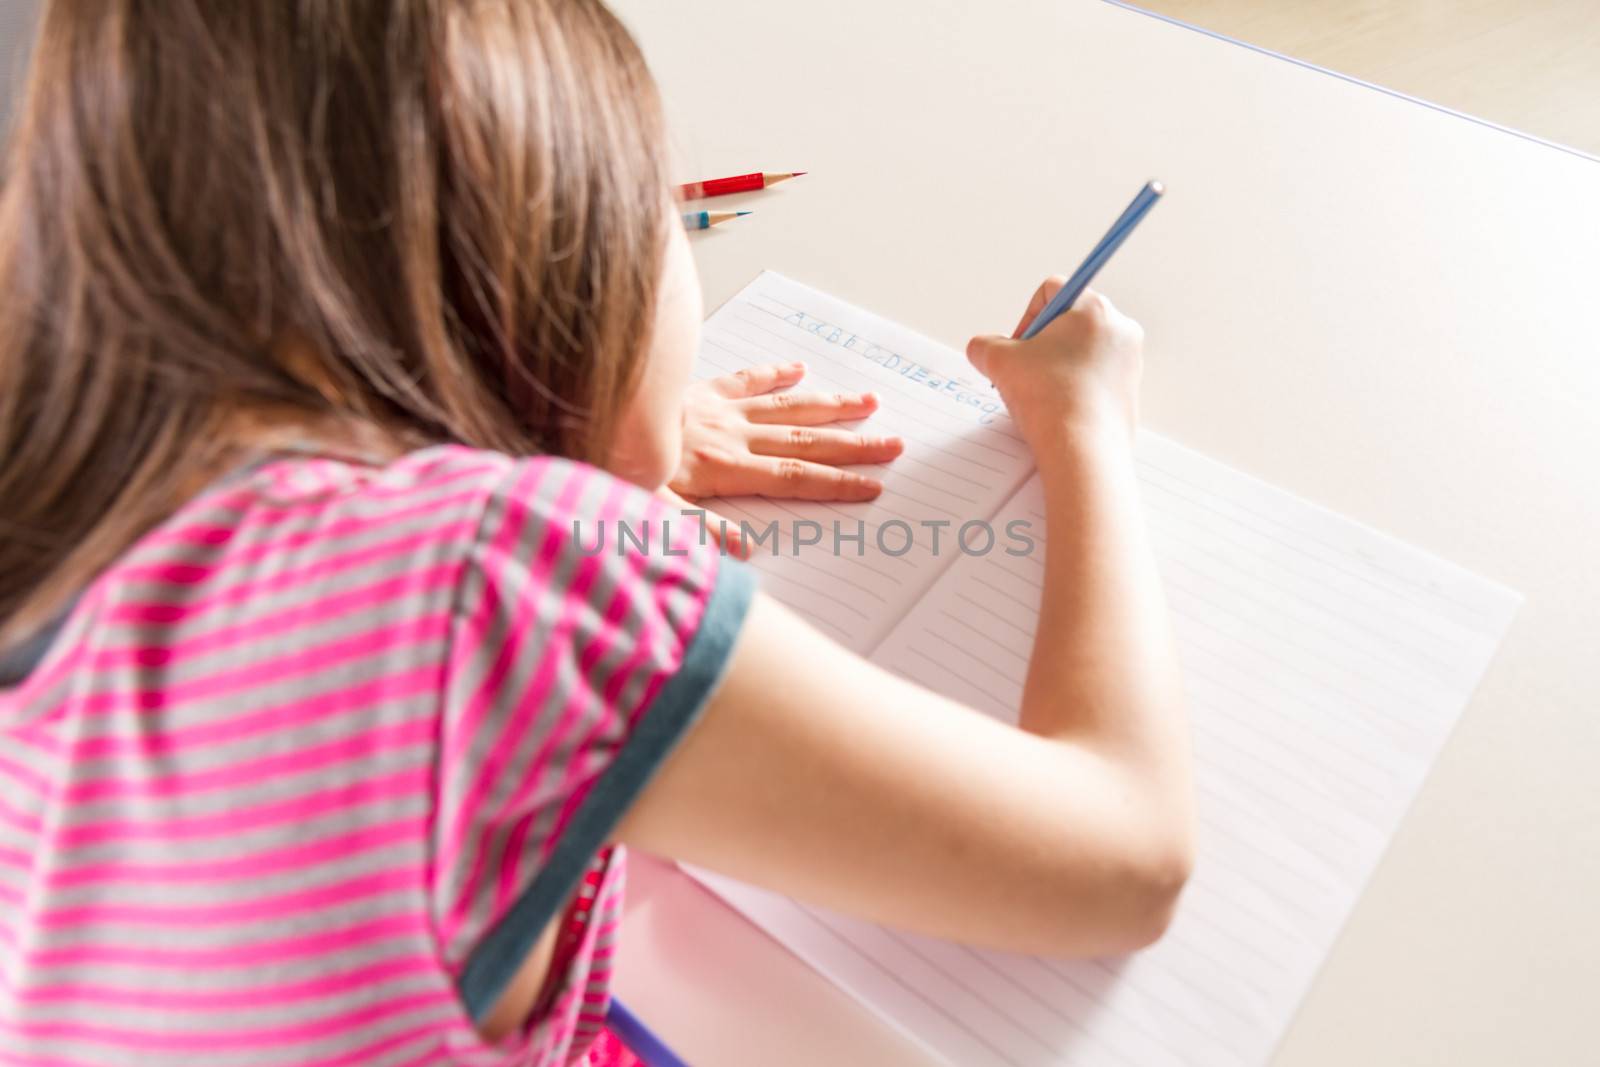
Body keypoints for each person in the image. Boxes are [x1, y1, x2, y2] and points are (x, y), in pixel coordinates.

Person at [0, 2, 1193, 1063]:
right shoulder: (493, 582)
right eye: (673, 214)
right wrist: (1084, 429)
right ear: (547, 281)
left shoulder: (62, 489)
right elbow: (1120, 858)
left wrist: (581, 427)